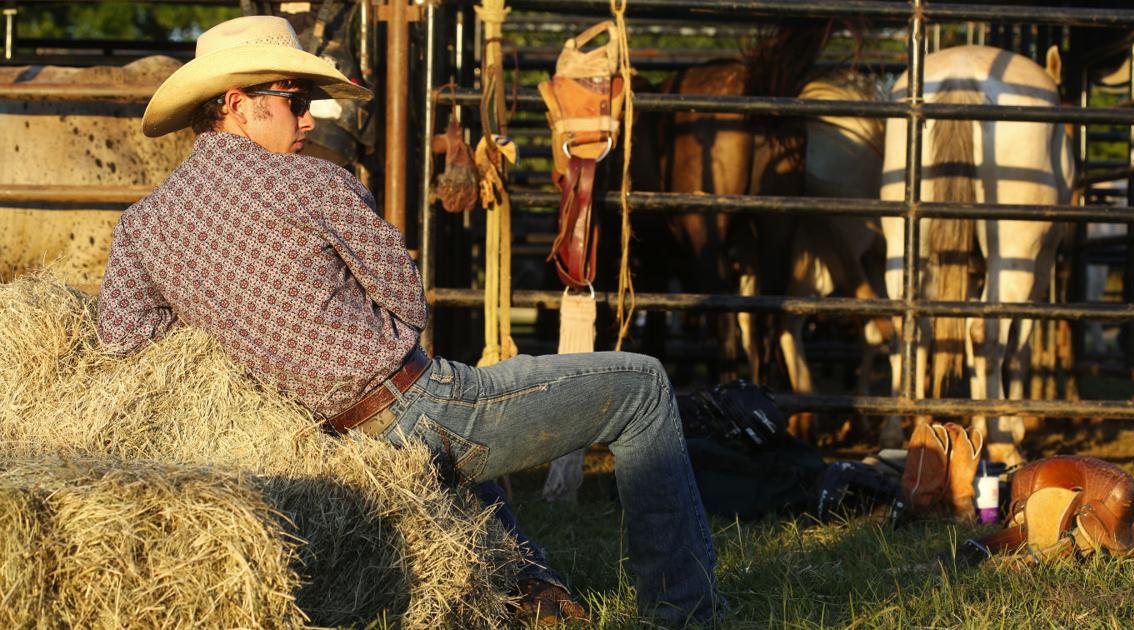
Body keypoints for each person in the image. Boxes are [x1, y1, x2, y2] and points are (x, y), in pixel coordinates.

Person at [97, 16, 724, 626]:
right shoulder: (315, 182)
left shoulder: (141, 226)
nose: (310, 116)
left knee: (463, 462)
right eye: (295, 98)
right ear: (238, 103)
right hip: (409, 406)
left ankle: (533, 586)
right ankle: (687, 613)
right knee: (641, 387)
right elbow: (407, 303)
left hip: (304, 441)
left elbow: (131, 350)